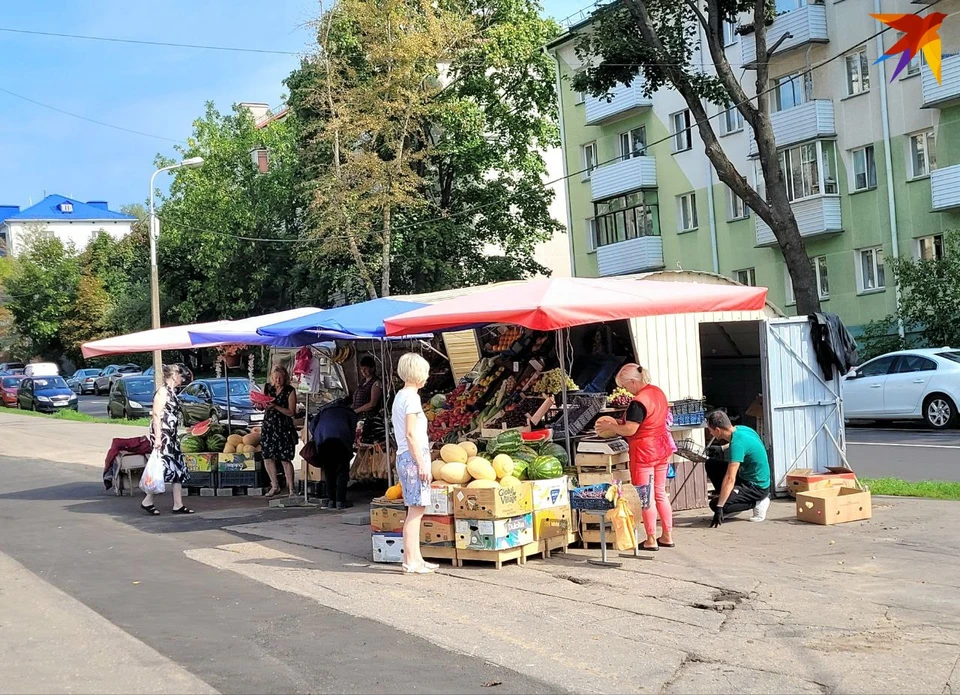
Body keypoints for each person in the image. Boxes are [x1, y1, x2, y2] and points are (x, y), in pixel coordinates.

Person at [594, 363, 675, 551]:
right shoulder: (658, 392)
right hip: (662, 448)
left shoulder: (639, 401)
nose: (625, 390)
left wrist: (611, 426)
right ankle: (667, 535)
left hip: (644, 452)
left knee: (646, 498)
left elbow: (630, 429)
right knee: (660, 493)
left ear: (632, 381)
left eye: (625, 386)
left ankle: (651, 539)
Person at [392, 352, 438, 575]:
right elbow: (411, 433)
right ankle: (410, 560)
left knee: (415, 508)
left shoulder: (401, 396)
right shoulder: (412, 398)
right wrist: (421, 464)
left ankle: (417, 558)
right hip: (412, 458)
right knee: (415, 511)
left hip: (406, 456)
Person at [141, 364, 193, 515]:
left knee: (177, 468)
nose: (182, 379)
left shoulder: (172, 392)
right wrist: (157, 438)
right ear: (174, 375)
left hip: (171, 435)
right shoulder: (163, 392)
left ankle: (178, 504)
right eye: (181, 376)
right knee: (163, 467)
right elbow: (156, 414)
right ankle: (147, 500)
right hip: (163, 436)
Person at [704, 410, 771, 525]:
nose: (710, 434)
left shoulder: (737, 445)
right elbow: (742, 445)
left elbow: (730, 478)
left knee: (715, 504)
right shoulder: (742, 429)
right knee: (711, 464)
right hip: (750, 476)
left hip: (756, 487)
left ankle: (758, 502)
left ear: (718, 430)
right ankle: (729, 498)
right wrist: (721, 448)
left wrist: (720, 507)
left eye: (710, 430)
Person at [310, 397, 359, 509]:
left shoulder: (323, 411)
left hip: (323, 442)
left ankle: (331, 500)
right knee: (342, 471)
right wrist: (350, 444)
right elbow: (352, 429)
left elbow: (312, 425)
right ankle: (340, 501)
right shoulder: (349, 412)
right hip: (340, 441)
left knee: (329, 471)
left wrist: (318, 436)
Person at [260, 364, 299, 498]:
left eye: (280, 378)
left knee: (285, 458)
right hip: (268, 427)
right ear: (272, 377)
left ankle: (292, 488)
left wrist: (275, 406)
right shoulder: (268, 389)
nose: (278, 381)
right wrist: (259, 404)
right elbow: (261, 406)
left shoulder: (290, 391)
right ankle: (274, 485)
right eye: (275, 378)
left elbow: (291, 412)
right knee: (267, 456)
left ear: (285, 378)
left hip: (283, 428)